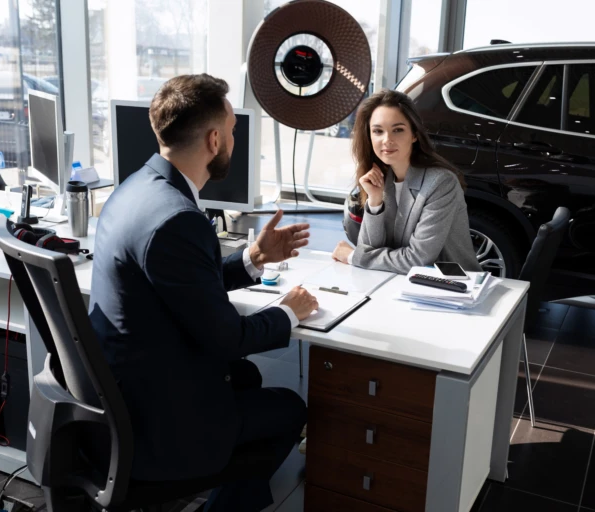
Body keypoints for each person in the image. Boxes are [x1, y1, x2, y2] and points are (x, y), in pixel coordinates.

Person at [88, 73, 318, 512]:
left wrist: (252, 257)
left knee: (248, 379)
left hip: (125, 394)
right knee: (290, 407)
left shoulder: (135, 189)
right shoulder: (178, 217)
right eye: (232, 132)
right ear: (214, 140)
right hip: (158, 422)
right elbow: (227, 337)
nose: (233, 140)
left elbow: (181, 283)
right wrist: (289, 312)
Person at [332, 89, 481, 275]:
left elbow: (418, 259)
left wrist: (353, 256)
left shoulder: (441, 183)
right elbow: (369, 247)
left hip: (452, 289)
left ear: (414, 134)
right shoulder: (381, 179)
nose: (387, 140)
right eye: (378, 131)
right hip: (399, 285)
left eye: (398, 130)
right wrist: (375, 200)